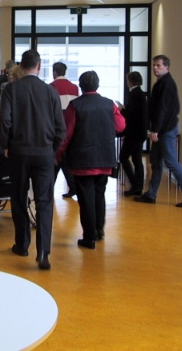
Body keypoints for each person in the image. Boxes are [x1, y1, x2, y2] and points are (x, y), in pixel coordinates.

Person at [0, 49, 66, 270]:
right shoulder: (50, 91)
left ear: (20, 66)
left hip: (19, 152)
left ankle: (22, 244)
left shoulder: (11, 90)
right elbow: (60, 128)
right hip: (44, 153)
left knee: (18, 197)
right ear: (39, 66)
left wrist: (5, 145)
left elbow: (4, 122)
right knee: (44, 201)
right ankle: (43, 252)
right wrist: (51, 149)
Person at [56, 71, 126, 249]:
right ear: (97, 84)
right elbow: (120, 126)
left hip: (83, 160)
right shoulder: (109, 104)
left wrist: (58, 154)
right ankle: (99, 230)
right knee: (99, 195)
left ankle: (89, 237)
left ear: (81, 86)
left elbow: (66, 134)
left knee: (86, 198)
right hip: (105, 157)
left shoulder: (75, 105)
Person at [134, 55, 182, 207]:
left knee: (170, 161)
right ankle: (151, 194)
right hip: (164, 128)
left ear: (166, 67)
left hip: (166, 129)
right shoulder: (162, 83)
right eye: (154, 65)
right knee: (156, 161)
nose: (155, 68)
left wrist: (155, 129)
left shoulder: (166, 84)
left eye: (158, 65)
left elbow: (162, 109)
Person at [49, 61, 79, 199]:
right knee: (65, 158)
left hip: (56, 127)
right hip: (71, 127)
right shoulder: (74, 88)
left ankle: (49, 187)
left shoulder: (51, 87)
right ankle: (72, 186)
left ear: (54, 72)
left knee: (55, 157)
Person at [120, 71, 149, 197]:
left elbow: (130, 115)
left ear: (130, 81)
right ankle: (138, 186)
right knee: (137, 160)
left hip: (133, 133)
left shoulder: (134, 94)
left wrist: (122, 110)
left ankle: (135, 184)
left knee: (123, 157)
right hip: (140, 132)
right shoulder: (141, 94)